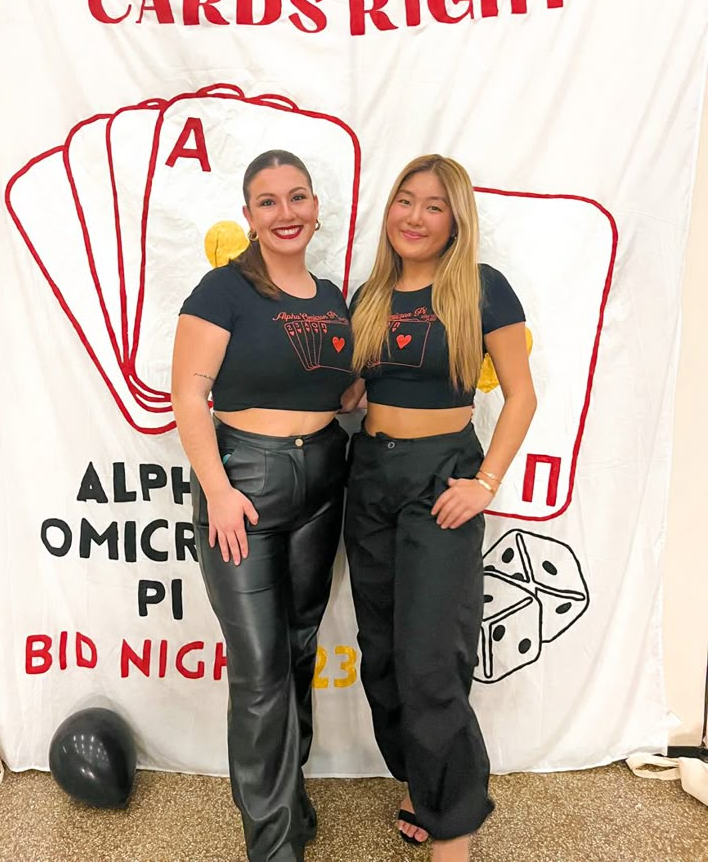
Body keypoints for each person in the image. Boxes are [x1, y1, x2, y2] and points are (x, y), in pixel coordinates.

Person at [342, 154, 536, 862]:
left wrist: (484, 481)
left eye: (432, 205)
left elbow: (521, 394)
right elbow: (357, 390)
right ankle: (423, 781)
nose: (414, 216)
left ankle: (453, 827)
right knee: (385, 655)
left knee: (430, 658)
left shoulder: (481, 289)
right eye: (405, 200)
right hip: (370, 477)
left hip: (442, 479)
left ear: (455, 218)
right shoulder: (368, 295)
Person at [171, 149, 354, 862]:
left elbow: (332, 388)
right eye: (268, 200)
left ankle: (287, 793)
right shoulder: (223, 290)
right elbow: (190, 394)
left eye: (297, 196)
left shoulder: (333, 295)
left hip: (323, 480)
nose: (286, 212)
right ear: (248, 215)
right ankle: (273, 846)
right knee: (258, 668)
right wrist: (218, 490)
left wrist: (362, 396)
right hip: (243, 480)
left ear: (316, 207)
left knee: (298, 646)